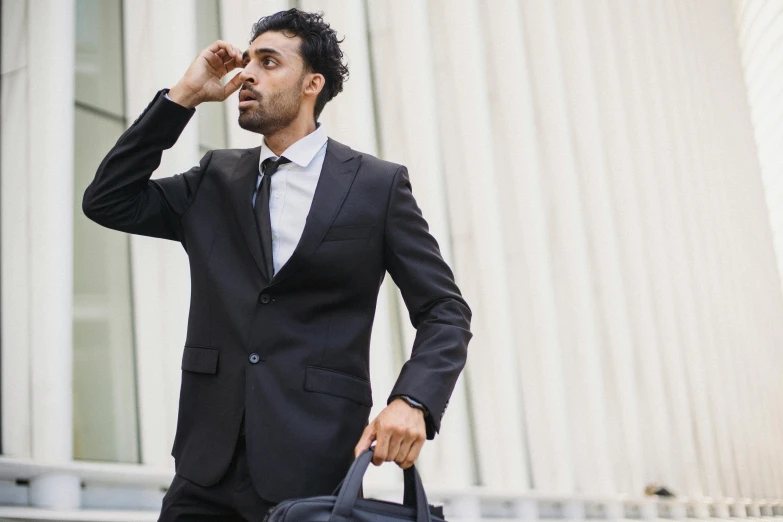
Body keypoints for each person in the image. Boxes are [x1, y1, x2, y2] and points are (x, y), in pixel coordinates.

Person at [82, 7, 472, 522]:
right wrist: (185, 96)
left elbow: (445, 310)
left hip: (313, 469)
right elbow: (107, 200)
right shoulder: (214, 179)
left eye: (269, 63)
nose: (247, 75)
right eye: (248, 62)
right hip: (204, 470)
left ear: (313, 84)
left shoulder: (377, 187)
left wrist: (413, 401)